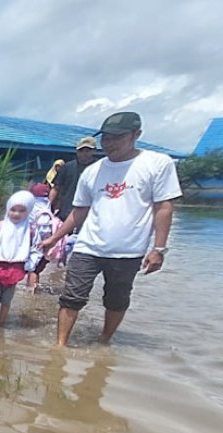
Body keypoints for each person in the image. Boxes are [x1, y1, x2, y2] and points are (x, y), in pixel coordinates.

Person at [40, 112, 182, 346]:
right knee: (71, 297)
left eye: (118, 137)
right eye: (106, 137)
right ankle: (60, 347)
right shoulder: (93, 171)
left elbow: (164, 207)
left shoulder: (157, 164)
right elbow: (79, 211)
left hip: (128, 250)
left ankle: (104, 340)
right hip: (88, 245)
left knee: (116, 299)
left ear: (137, 135)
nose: (110, 143)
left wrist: (159, 248)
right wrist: (54, 238)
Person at [0, 190, 36, 324]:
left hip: (15, 269)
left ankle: (1, 322)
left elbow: (34, 249)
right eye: (13, 209)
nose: (16, 214)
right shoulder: (0, 226)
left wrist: (31, 265)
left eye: (21, 211)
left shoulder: (30, 230)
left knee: (7, 299)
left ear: (28, 212)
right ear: (8, 209)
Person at [50, 136, 97, 220]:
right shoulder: (67, 167)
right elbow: (56, 188)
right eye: (81, 150)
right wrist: (48, 207)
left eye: (87, 150)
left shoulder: (99, 168)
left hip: (89, 215)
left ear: (94, 151)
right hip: (66, 213)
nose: (84, 153)